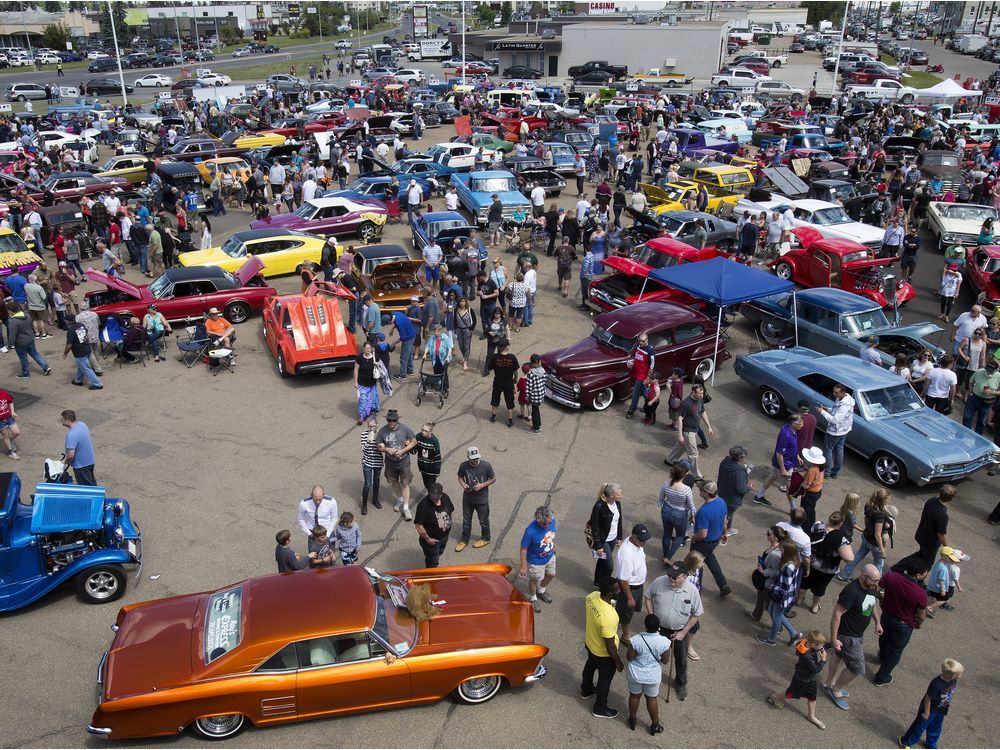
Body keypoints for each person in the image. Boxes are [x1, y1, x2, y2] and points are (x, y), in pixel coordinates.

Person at [822, 563, 883, 711]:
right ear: (863, 576)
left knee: (839, 657)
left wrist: (877, 622)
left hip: (857, 633)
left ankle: (828, 683)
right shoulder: (851, 591)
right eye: (874, 581)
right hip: (848, 636)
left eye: (877, 581)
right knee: (857, 669)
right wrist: (834, 638)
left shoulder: (870, 588)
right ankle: (836, 690)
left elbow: (870, 604)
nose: (877, 584)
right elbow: (837, 614)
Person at [644, 560, 703, 702]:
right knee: (653, 655)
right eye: (669, 574)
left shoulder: (692, 591)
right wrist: (652, 616)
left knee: (681, 660)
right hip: (659, 629)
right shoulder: (659, 582)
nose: (670, 578)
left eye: (675, 577)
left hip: (679, 631)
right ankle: (651, 680)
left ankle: (680, 684)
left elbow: (697, 614)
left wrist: (683, 633)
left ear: (685, 576)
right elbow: (648, 597)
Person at [873, 557, 929, 686]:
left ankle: (882, 657)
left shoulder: (891, 576)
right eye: (925, 572)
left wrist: (882, 600)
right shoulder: (920, 593)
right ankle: (882, 677)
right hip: (904, 624)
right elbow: (921, 615)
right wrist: (918, 625)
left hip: (886, 616)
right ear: (919, 575)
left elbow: (876, 589)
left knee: (884, 639)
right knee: (895, 650)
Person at [765, 630, 829, 730]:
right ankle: (775, 697)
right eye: (821, 646)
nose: (822, 648)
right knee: (791, 694)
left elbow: (818, 646)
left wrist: (832, 644)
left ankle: (811, 716)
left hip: (810, 678)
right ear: (813, 645)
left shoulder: (806, 643)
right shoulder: (807, 656)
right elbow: (816, 669)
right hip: (801, 679)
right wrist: (823, 660)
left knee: (812, 696)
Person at [581, 577, 624, 719]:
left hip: (590, 643)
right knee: (604, 680)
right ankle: (600, 707)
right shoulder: (610, 617)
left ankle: (586, 689)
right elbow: (610, 646)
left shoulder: (592, 596)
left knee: (590, 665)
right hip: (603, 653)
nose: (620, 589)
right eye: (617, 589)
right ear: (611, 594)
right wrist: (618, 661)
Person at [898, 659, 963, 750]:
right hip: (930, 709)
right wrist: (927, 712)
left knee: (936, 727)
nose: (960, 676)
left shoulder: (953, 680)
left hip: (941, 708)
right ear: (950, 675)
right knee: (919, 726)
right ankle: (906, 741)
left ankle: (931, 744)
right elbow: (928, 698)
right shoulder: (936, 684)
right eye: (959, 674)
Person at [798, 512, 854, 615]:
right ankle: (814, 606)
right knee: (820, 588)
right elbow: (849, 558)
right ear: (841, 523)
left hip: (810, 562)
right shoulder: (840, 537)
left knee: (804, 582)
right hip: (826, 569)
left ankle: (798, 600)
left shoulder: (818, 525)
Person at [624, 613, 671, 735]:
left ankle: (633, 720)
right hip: (652, 676)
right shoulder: (664, 642)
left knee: (634, 696)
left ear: (645, 626)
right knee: (651, 699)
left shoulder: (636, 640)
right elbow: (665, 661)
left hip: (636, 675)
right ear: (658, 627)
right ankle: (655, 724)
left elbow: (629, 658)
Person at [755, 539, 804, 646]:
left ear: (786, 552)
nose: (779, 550)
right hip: (786, 596)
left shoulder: (788, 567)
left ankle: (771, 639)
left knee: (776, 616)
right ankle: (793, 633)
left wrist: (773, 587)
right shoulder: (794, 561)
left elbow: (785, 587)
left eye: (781, 549)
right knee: (773, 610)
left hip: (782, 596)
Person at [690, 481, 732, 597]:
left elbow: (703, 534)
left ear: (707, 493)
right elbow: (724, 521)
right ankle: (723, 585)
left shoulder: (704, 511)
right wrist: (725, 533)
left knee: (697, 564)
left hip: (702, 543)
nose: (699, 490)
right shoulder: (721, 502)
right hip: (715, 540)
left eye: (701, 490)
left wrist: (694, 538)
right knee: (710, 558)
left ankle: (696, 591)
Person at [839, 489, 892, 578]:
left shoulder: (869, 506)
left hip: (866, 537)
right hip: (875, 544)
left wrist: (867, 529)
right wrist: (882, 550)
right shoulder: (879, 517)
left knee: (858, 556)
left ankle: (844, 574)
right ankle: (876, 584)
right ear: (883, 501)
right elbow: (877, 535)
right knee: (878, 563)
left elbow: (866, 519)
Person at [663, 383, 713, 480]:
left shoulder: (700, 400)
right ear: (693, 392)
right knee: (693, 454)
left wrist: (709, 426)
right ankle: (696, 476)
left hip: (694, 430)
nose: (701, 395)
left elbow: (702, 412)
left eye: (702, 393)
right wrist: (680, 435)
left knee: (680, 446)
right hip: (688, 431)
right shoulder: (686, 403)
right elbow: (680, 419)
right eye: (699, 393)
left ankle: (669, 460)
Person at [376, 409, 417, 521]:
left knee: (405, 483)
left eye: (394, 420)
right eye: (389, 420)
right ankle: (400, 499)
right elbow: (378, 447)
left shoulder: (405, 428)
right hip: (390, 461)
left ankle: (406, 507)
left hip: (404, 461)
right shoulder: (382, 431)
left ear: (397, 420)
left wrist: (403, 450)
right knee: (394, 481)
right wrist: (386, 449)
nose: (391, 422)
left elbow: (414, 441)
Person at [753, 414, 802, 507]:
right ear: (794, 424)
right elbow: (779, 454)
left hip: (785, 463)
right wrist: (783, 469)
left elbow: (792, 447)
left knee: (772, 476)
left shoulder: (792, 430)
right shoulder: (786, 435)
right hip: (785, 465)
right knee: (789, 487)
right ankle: (793, 508)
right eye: (800, 422)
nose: (802, 424)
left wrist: (797, 456)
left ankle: (758, 496)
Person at [614, 524, 650, 640]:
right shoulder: (626, 555)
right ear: (633, 536)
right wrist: (629, 598)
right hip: (630, 588)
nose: (644, 542)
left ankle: (617, 617)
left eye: (646, 539)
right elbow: (623, 580)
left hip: (638, 585)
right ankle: (625, 636)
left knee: (629, 610)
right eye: (642, 540)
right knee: (626, 614)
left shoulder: (636, 543)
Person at [519, 506, 557, 612]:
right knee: (534, 579)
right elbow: (523, 548)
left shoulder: (552, 520)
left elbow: (551, 535)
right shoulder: (530, 531)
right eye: (544, 523)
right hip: (536, 560)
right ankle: (533, 597)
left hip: (550, 556)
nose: (547, 525)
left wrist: (552, 545)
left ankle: (541, 590)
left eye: (549, 523)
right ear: (537, 519)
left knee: (551, 574)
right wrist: (523, 566)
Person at [658, 463, 694, 564]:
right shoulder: (686, 489)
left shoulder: (666, 483)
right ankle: (668, 558)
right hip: (680, 513)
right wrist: (693, 515)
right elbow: (691, 505)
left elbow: (660, 499)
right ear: (684, 475)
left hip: (666, 510)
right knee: (679, 536)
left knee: (667, 534)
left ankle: (665, 554)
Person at [589, 483, 624, 585]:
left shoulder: (617, 503)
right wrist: (599, 545)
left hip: (612, 539)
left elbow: (619, 521)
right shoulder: (599, 506)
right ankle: (606, 585)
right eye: (619, 494)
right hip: (603, 540)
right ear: (612, 495)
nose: (621, 495)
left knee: (602, 560)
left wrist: (619, 537)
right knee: (609, 566)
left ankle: (598, 581)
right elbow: (595, 527)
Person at [817, 383, 854, 479]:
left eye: (836, 392)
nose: (834, 394)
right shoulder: (846, 399)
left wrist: (822, 412)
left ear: (843, 392)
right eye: (833, 391)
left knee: (828, 450)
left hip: (835, 432)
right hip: (844, 430)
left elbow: (834, 420)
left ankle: (827, 472)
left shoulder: (844, 405)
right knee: (839, 449)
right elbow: (835, 411)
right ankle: (835, 472)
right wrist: (827, 409)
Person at [414, 482, 454, 568]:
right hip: (432, 541)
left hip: (444, 536)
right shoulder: (423, 506)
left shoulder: (445, 498)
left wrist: (449, 524)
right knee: (432, 562)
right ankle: (431, 577)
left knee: (439, 553)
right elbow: (418, 525)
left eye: (436, 497)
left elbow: (450, 511)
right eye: (432, 497)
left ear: (441, 494)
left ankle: (434, 560)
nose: (434, 499)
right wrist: (428, 539)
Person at [6, 302, 50, 378]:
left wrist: (10, 345)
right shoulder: (27, 315)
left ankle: (25, 373)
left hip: (20, 343)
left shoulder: (13, 321)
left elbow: (12, 335)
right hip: (30, 339)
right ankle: (45, 367)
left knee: (23, 358)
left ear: (10, 311)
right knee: (35, 353)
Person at [914, 484, 954, 565]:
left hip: (921, 534)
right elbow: (940, 535)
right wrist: (947, 548)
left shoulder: (931, 500)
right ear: (950, 499)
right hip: (930, 543)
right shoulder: (943, 514)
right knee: (926, 564)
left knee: (921, 554)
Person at [962, 357, 1000, 433]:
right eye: (988, 370)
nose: (988, 372)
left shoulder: (999, 376)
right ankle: (965, 434)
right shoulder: (979, 371)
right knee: (967, 417)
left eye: (991, 371)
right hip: (974, 398)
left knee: (982, 422)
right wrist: (970, 393)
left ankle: (978, 439)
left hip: (987, 402)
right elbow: (971, 381)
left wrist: (992, 392)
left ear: (996, 370)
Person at [64, 316, 102, 390]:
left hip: (79, 352)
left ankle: (97, 384)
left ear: (67, 322)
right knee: (81, 366)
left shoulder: (70, 331)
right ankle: (78, 380)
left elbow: (69, 345)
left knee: (86, 368)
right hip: (87, 348)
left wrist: (65, 353)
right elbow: (86, 334)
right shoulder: (81, 325)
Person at [486, 337, 518, 427]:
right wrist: (515, 378)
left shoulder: (494, 357)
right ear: (507, 347)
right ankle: (510, 421)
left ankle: (493, 417)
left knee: (495, 399)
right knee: (509, 401)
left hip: (498, 382)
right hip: (508, 383)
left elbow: (489, 368)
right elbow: (516, 371)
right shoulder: (512, 358)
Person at [61, 410, 96, 486]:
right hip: (90, 461)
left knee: (86, 489)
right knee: (91, 484)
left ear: (67, 421)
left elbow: (71, 455)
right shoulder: (82, 424)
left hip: (81, 466)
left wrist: (63, 462)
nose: (61, 421)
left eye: (62, 420)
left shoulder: (72, 435)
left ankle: (97, 497)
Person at [625, 333, 655, 420]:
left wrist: (648, 378)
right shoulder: (638, 346)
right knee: (645, 393)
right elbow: (634, 357)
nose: (641, 343)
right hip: (636, 373)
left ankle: (631, 410)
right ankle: (649, 406)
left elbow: (652, 366)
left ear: (647, 340)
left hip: (642, 376)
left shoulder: (650, 351)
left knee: (635, 394)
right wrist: (630, 363)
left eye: (643, 341)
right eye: (640, 341)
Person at [353, 341, 380, 425]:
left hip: (371, 384)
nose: (368, 350)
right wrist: (355, 382)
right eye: (366, 348)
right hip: (362, 384)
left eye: (369, 348)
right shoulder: (360, 358)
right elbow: (356, 370)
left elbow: (381, 365)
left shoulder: (375, 357)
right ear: (363, 349)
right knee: (362, 400)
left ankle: (367, 413)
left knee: (369, 400)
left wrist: (377, 364)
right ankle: (361, 417)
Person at [0, 389, 20, 460]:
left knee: (16, 432)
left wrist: (12, 412)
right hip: (0, 421)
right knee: (6, 435)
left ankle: (8, 442)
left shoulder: (3, 393)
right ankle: (11, 452)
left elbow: (10, 401)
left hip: (9, 418)